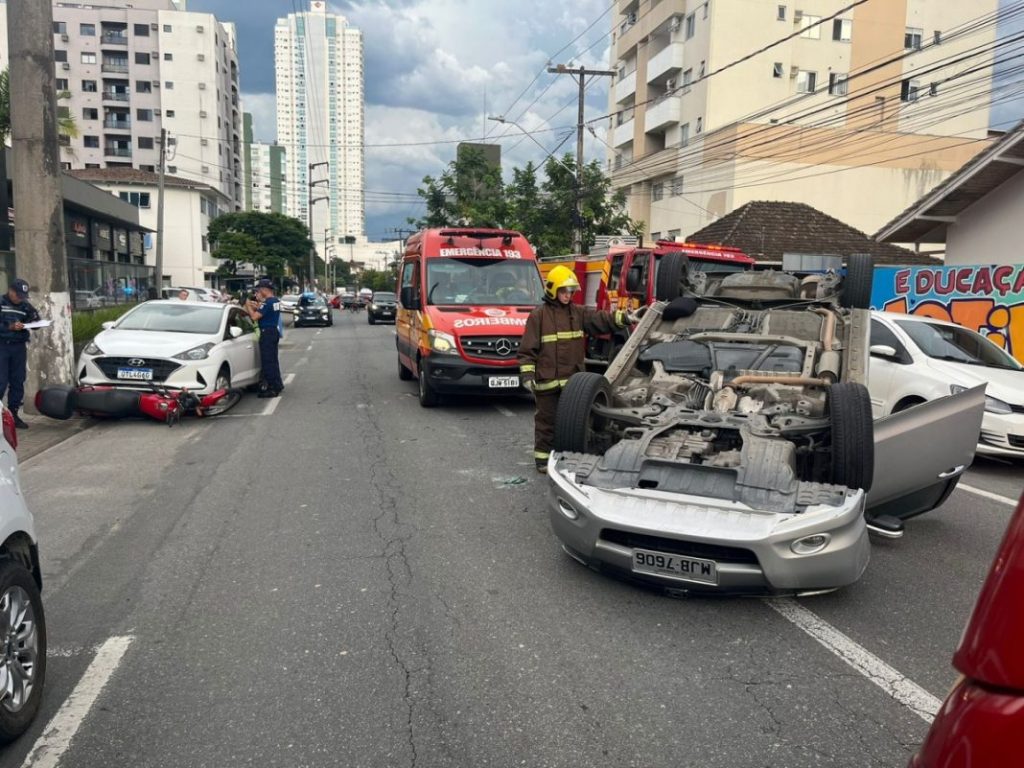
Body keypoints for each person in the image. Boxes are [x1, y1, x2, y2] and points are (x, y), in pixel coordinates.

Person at [518, 265, 639, 474]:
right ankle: (542, 460)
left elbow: (602, 320)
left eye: (570, 291)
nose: (567, 295)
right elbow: (528, 350)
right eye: (564, 291)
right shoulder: (538, 316)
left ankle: (567, 456)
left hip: (572, 383)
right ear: (553, 290)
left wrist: (626, 317)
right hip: (547, 381)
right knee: (546, 421)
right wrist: (528, 376)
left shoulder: (578, 312)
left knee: (573, 422)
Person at [0, 279, 41, 429]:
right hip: (2, 346)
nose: (19, 298)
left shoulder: (25, 305)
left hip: (18, 348)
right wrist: (10, 327)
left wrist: (35, 321)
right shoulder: (1, 302)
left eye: (22, 295)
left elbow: (36, 321)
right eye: (17, 295)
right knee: (1, 382)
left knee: (18, 381)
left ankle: (13, 414)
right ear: (10, 290)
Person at [245, 278, 285, 398]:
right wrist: (258, 306)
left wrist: (248, 306)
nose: (257, 293)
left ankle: (272, 388)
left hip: (267, 332)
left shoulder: (268, 303)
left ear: (264, 290)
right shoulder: (275, 301)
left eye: (259, 290)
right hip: (273, 331)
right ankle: (277, 384)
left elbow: (254, 317)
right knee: (273, 360)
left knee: (268, 361)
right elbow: (266, 312)